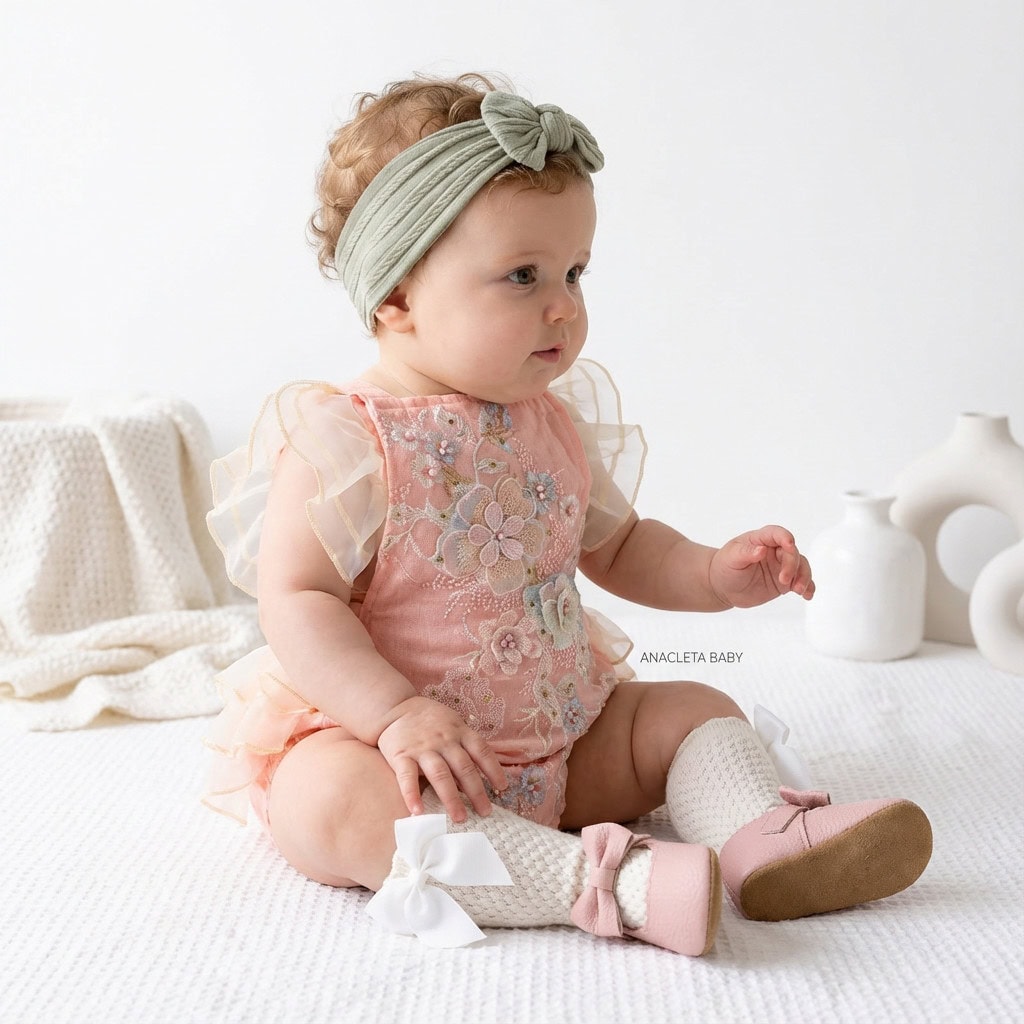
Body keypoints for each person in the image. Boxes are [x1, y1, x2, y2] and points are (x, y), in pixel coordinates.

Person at [203, 73, 932, 954]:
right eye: (523, 276)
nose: (565, 305)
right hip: (410, 762)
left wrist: (711, 574)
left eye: (574, 272)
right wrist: (393, 715)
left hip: (565, 740)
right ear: (396, 296)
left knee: (693, 707)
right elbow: (297, 600)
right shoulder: (350, 440)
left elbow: (620, 546)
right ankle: (603, 885)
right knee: (324, 800)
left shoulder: (552, 419)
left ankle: (761, 838)